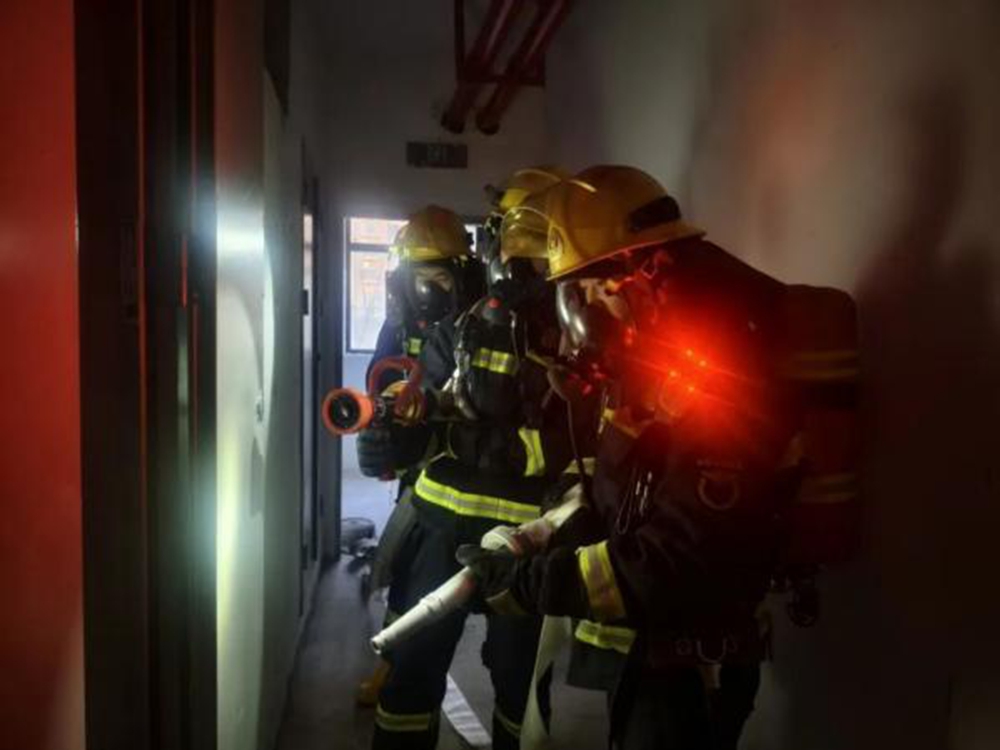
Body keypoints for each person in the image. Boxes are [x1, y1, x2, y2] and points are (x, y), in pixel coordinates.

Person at [459, 165, 804, 750]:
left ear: (634, 276)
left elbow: (665, 563)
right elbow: (621, 490)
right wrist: (552, 528)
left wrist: (529, 584)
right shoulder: (663, 364)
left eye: (586, 292)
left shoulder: (724, 379)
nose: (581, 319)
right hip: (657, 657)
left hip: (691, 675)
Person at [370, 168, 571, 750]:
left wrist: (485, 446)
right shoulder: (461, 330)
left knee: (518, 683)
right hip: (440, 528)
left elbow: (583, 450)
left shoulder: (580, 345)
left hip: (524, 545)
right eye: (516, 254)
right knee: (412, 670)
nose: (521, 271)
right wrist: (391, 439)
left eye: (534, 259)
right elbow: (421, 411)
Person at [355, 205, 481, 706]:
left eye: (441, 277)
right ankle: (391, 664)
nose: (431, 289)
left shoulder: (482, 325)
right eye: (421, 277)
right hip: (422, 478)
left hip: (476, 473)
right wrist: (381, 436)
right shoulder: (397, 329)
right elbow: (380, 388)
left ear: (461, 275)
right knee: (408, 575)